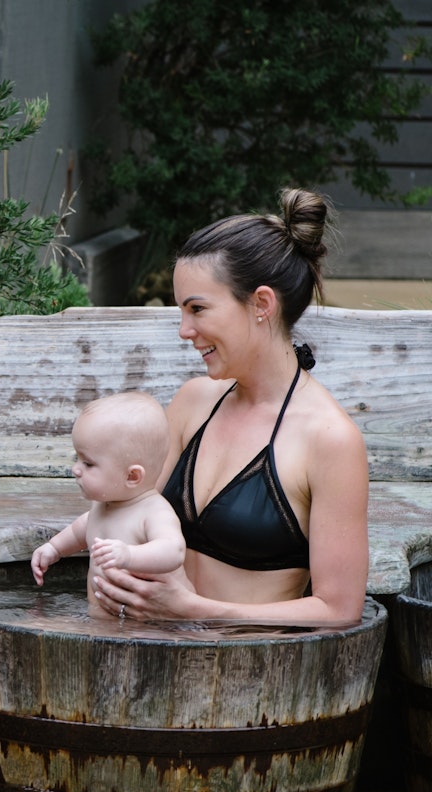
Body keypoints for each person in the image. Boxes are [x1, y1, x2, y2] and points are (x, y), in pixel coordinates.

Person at [93, 188, 369, 626]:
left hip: (251, 670)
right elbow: (125, 507)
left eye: (197, 309)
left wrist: (195, 610)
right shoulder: (193, 402)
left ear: (261, 304)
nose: (185, 330)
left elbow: (339, 609)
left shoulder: (328, 440)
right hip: (154, 650)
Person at [30, 392, 186, 617]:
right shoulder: (103, 506)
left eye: (88, 463)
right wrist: (54, 549)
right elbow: (80, 529)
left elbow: (174, 550)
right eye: (77, 458)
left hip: (155, 627)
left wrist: (129, 555)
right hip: (106, 624)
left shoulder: (153, 512)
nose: (76, 469)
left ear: (132, 476)